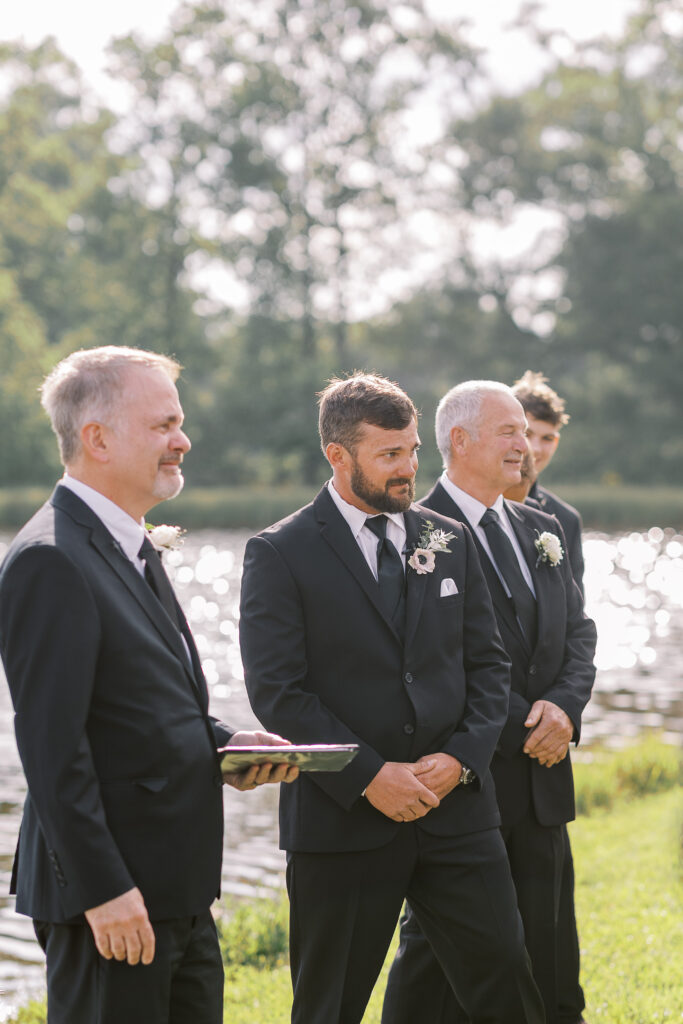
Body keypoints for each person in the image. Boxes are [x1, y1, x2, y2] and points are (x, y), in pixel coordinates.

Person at [0, 346, 297, 1024]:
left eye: (180, 422)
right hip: (113, 898)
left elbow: (133, 703)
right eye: (163, 424)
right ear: (96, 438)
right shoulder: (52, 559)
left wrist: (223, 744)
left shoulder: (124, 540)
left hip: (176, 886)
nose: (183, 440)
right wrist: (104, 892)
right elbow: (52, 748)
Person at [239, 372, 545, 1024]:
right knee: (329, 1007)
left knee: (507, 985)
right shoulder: (279, 552)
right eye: (388, 455)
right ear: (337, 455)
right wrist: (370, 775)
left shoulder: (447, 539)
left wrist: (461, 758)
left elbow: (488, 667)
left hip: (456, 813)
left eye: (411, 451)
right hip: (342, 822)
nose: (408, 468)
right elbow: (278, 693)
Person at [381, 380, 596, 1024]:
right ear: (459, 441)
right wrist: (517, 725)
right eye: (509, 432)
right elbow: (429, 660)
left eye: (526, 433)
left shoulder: (543, 527)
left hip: (545, 774)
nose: (524, 445)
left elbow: (577, 632)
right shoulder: (414, 534)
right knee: (438, 956)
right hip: (469, 778)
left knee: (552, 945)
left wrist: (563, 708)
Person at [511, 371, 585, 591]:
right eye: (527, 433)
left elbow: (574, 609)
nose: (535, 448)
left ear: (556, 442)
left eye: (547, 438)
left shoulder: (566, 520)